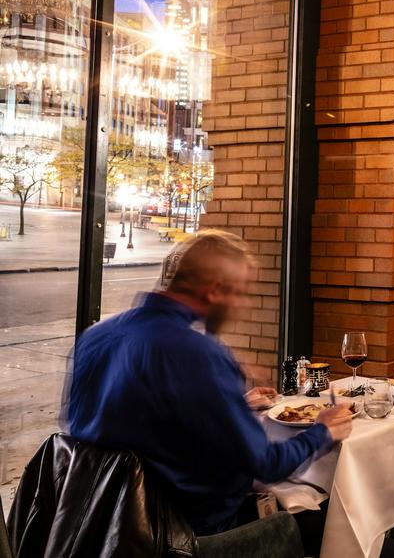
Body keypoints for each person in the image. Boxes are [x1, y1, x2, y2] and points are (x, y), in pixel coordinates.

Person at [65, 230, 354, 537]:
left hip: (102, 525)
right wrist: (323, 431)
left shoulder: (97, 336)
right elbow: (267, 464)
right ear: (215, 291)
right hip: (187, 533)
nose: (242, 305)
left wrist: (234, 404)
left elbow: (120, 425)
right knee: (325, 515)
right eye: (241, 293)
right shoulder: (196, 354)